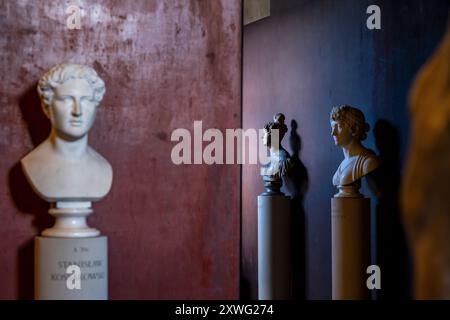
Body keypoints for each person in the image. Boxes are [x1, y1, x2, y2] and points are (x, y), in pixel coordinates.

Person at [21, 63, 112, 202]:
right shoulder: (32, 164)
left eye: (86, 100)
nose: (77, 111)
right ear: (47, 107)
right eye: (66, 99)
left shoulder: (103, 167)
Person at [330, 105, 379, 198]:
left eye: (339, 126)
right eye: (332, 127)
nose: (333, 133)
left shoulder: (368, 162)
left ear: (354, 129)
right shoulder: (343, 164)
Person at [260, 113, 293, 195]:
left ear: (272, 137)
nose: (262, 137)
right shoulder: (269, 160)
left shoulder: (284, 159)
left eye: (264, 134)